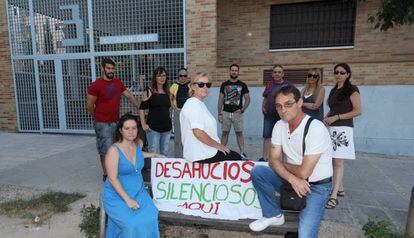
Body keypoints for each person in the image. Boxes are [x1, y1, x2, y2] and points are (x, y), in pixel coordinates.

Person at [249, 85, 333, 237]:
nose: (283, 110)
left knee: (305, 234)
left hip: (316, 187)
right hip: (290, 180)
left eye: (288, 104)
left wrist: (281, 164)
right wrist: (292, 178)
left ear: (300, 102)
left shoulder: (316, 129)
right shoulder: (279, 126)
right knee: (258, 172)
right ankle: (273, 215)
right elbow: (272, 161)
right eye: (279, 106)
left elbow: (304, 171)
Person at [103, 113, 163, 238]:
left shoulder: (137, 145)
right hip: (118, 195)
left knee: (151, 215)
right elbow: (112, 179)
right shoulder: (113, 151)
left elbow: (138, 155)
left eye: (134, 128)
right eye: (127, 128)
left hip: (138, 191)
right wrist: (128, 200)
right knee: (131, 223)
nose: (131, 132)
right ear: (120, 130)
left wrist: (154, 155)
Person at [87, 58, 140, 181]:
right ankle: (107, 175)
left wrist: (140, 108)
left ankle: (115, 171)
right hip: (102, 123)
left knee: (117, 148)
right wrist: (96, 117)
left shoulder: (117, 83)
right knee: (105, 149)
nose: (111, 71)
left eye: (112, 68)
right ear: (102, 68)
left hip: (116, 122)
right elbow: (89, 105)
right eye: (108, 68)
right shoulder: (95, 85)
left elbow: (130, 96)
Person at [180, 72, 242, 163]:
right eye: (201, 84)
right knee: (237, 159)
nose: (205, 87)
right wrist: (219, 146)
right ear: (192, 86)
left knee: (236, 157)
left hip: (205, 152)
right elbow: (198, 133)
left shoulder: (199, 104)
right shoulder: (193, 104)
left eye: (208, 85)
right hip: (202, 154)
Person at [324, 63, 362, 209]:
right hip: (331, 128)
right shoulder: (334, 90)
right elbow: (333, 109)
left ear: (348, 74)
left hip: (343, 129)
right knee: (333, 159)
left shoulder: (352, 89)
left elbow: (358, 111)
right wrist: (326, 118)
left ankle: (333, 196)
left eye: (342, 72)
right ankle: (340, 188)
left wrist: (337, 117)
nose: (339, 75)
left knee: (338, 162)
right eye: (336, 72)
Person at [259, 65, 292, 161]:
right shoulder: (269, 84)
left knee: (283, 137)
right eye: (275, 72)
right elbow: (265, 97)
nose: (277, 74)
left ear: (283, 74)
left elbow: (292, 99)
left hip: (282, 117)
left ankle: (282, 159)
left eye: (279, 72)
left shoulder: (288, 85)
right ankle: (264, 158)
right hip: (269, 116)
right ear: (272, 74)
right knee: (267, 136)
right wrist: (263, 107)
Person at [218, 64, 250, 158]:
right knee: (225, 133)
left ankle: (242, 153)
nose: (234, 72)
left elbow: (248, 99)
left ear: (238, 72)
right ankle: (221, 152)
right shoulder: (224, 85)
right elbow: (220, 99)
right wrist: (219, 113)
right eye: (232, 70)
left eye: (236, 70)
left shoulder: (242, 85)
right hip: (226, 112)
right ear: (229, 71)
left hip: (237, 113)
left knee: (239, 133)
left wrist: (243, 109)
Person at [139, 67, 172, 156]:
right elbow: (142, 108)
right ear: (155, 78)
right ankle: (152, 170)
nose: (162, 78)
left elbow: (170, 108)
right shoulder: (149, 91)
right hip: (153, 128)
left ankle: (163, 170)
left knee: (164, 153)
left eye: (164, 76)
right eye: (159, 76)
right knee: (153, 153)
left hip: (167, 128)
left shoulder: (167, 92)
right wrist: (143, 124)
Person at [169, 68, 190, 158]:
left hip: (188, 114)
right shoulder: (174, 86)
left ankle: (188, 156)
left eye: (185, 75)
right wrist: (175, 109)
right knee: (177, 136)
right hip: (178, 112)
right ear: (178, 76)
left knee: (188, 135)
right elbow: (170, 98)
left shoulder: (190, 86)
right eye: (181, 75)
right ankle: (178, 157)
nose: (183, 77)